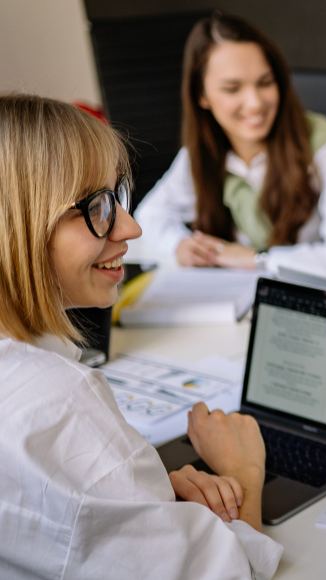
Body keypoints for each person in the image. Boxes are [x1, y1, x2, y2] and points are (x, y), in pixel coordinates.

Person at [0, 94, 280, 578]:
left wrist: (139, 497)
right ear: (21, 225)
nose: (130, 226)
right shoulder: (56, 406)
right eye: (98, 207)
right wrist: (242, 476)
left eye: (118, 197)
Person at [135, 14, 326, 279]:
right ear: (201, 95)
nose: (255, 103)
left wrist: (254, 258)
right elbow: (147, 219)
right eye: (232, 88)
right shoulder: (201, 154)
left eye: (265, 83)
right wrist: (179, 245)